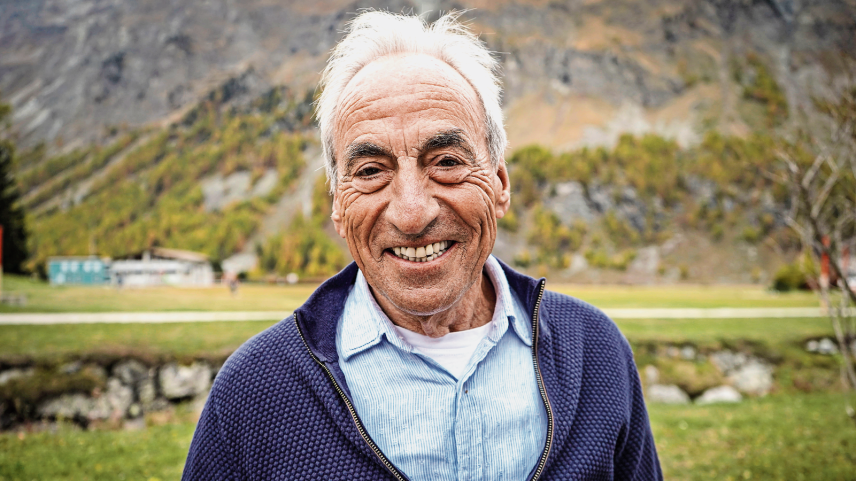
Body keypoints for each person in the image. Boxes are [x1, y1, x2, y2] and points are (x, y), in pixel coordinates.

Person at [183, 11, 661, 481]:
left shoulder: (594, 353)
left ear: (498, 183)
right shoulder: (255, 390)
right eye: (371, 171)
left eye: (447, 161)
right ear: (337, 205)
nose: (412, 214)